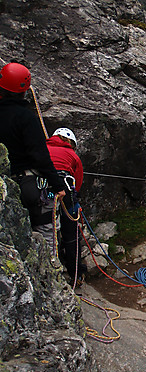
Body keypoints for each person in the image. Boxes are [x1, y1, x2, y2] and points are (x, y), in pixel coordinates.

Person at [0, 62, 66, 249]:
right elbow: (40, 156)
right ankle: (53, 272)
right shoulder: (25, 117)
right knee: (47, 232)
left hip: (6, 185)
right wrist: (58, 185)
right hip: (29, 184)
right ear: (24, 90)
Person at [46, 127, 85, 285]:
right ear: (70, 142)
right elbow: (78, 181)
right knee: (71, 235)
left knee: (48, 231)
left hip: (45, 193)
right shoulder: (72, 155)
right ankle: (76, 275)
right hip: (67, 193)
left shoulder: (43, 148)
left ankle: (50, 271)